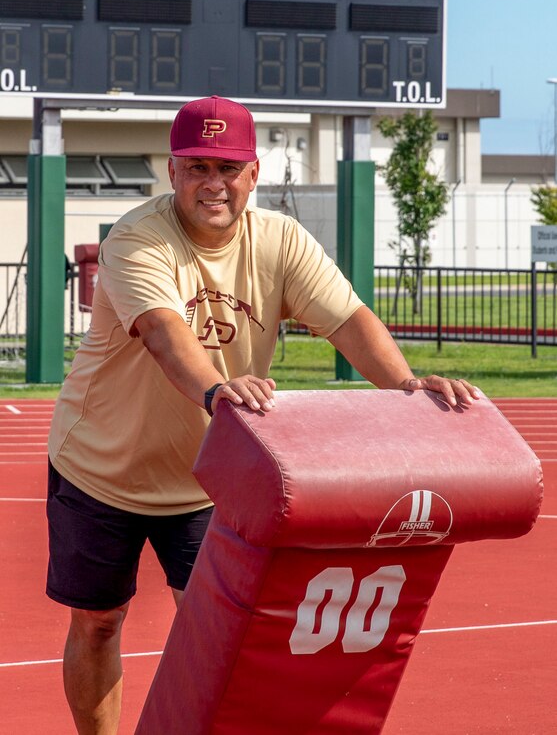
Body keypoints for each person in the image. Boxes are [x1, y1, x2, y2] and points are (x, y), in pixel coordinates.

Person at [47, 95, 479, 734]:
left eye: (227, 168)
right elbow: (165, 332)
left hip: (204, 477)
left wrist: (408, 389)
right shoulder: (137, 238)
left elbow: (350, 322)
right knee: (98, 619)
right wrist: (216, 393)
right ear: (173, 171)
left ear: (253, 173)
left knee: (216, 630)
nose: (212, 184)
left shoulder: (279, 239)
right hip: (99, 468)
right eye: (197, 167)